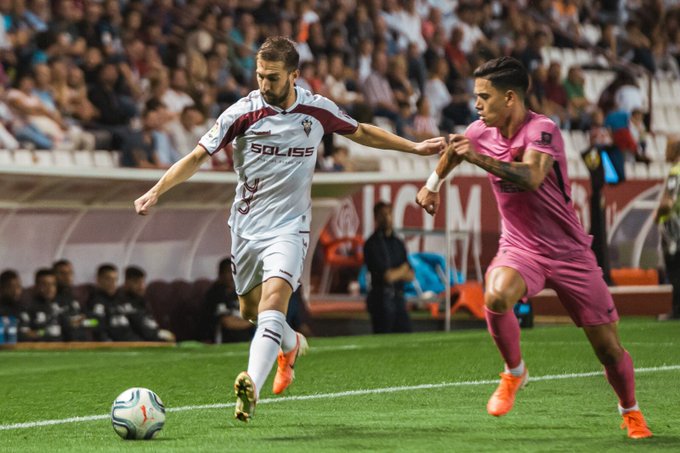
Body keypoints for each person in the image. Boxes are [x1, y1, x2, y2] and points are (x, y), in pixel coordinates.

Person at [134, 36, 445, 422]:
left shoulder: (316, 110)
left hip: (291, 227)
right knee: (251, 310)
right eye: (260, 76)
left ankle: (251, 385)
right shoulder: (242, 113)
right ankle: (290, 343)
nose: (264, 84)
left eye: (273, 77)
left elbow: (361, 130)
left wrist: (414, 148)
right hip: (246, 226)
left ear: (295, 75)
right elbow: (198, 155)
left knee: (273, 302)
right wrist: (156, 191)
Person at [416, 57, 652, 439]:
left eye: (484, 97)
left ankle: (631, 410)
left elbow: (531, 176)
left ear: (509, 98)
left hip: (569, 252)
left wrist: (477, 157)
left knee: (608, 349)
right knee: (495, 295)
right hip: (520, 246)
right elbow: (455, 150)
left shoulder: (543, 129)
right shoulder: (480, 130)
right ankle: (514, 371)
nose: (476, 104)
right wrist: (432, 185)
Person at [363, 201, 415, 334]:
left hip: (399, 299)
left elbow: (411, 275)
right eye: (383, 215)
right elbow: (387, 276)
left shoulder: (398, 243)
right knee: (383, 339)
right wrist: (401, 271)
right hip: (381, 300)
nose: (387, 218)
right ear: (376, 218)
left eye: (389, 214)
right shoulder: (372, 244)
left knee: (406, 338)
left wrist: (398, 273)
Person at [199, 257, 254, 344]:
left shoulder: (243, 292)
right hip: (223, 340)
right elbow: (226, 322)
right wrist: (249, 322)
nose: (233, 276)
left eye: (235, 272)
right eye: (229, 272)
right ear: (221, 274)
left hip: (247, 338)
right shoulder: (215, 294)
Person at [655, 140, 680, 321]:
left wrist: (657, 215)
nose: (665, 152)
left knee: (674, 270)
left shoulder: (675, 172)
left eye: (667, 148)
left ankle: (676, 310)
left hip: (674, 229)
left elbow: (669, 202)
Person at [119, 266, 175, 342]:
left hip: (152, 342)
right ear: (127, 283)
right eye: (136, 282)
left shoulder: (144, 302)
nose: (141, 286)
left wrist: (160, 334)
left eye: (142, 282)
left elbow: (149, 326)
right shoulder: (120, 303)